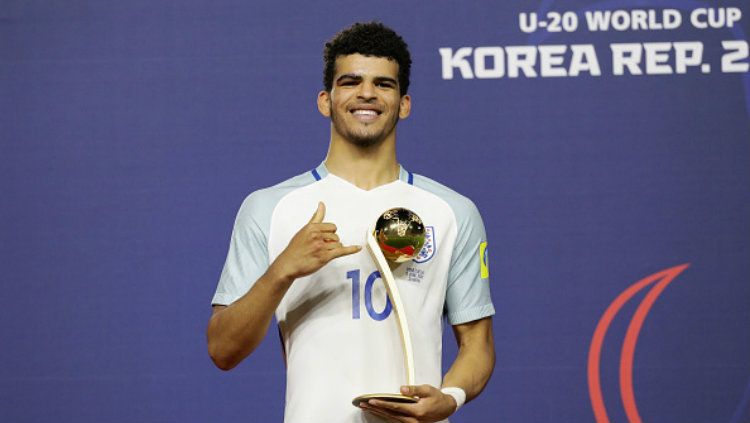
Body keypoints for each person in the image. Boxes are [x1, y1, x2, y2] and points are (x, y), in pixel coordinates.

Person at [207, 22, 495, 423]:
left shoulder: (452, 211)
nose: (366, 94)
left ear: (404, 104)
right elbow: (223, 349)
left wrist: (450, 397)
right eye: (351, 81)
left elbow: (478, 344)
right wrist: (283, 271)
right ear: (325, 100)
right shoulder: (270, 209)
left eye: (384, 84)